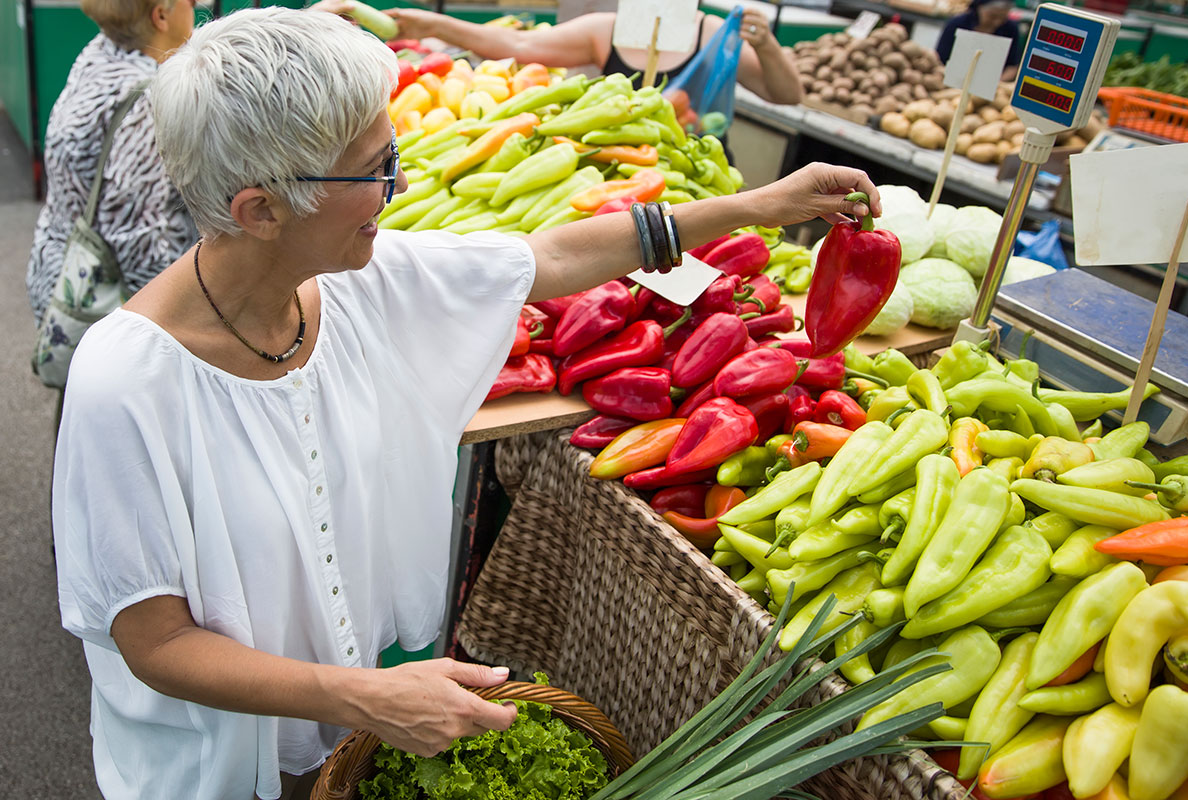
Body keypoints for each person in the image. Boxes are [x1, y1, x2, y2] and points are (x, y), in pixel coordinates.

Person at [52, 8, 881, 800]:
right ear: (260, 210)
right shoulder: (127, 382)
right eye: (374, 169)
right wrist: (364, 698)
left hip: (336, 732)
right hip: (212, 764)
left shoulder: (359, 286)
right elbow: (155, 643)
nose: (400, 181)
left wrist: (762, 205)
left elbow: (550, 255)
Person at [25, 0, 198, 329]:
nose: (196, 7)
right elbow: (135, 238)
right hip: (101, 303)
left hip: (60, 269)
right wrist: (175, 321)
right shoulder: (143, 102)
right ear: (161, 15)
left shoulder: (99, 53)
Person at [379, 5, 803, 106]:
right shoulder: (607, 29)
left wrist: (766, 46)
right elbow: (519, 47)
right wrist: (434, 24)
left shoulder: (713, 33)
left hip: (698, 175)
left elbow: (786, 95)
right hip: (623, 175)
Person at [935, 0, 1021, 81]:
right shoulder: (957, 24)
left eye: (1002, 18)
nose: (997, 22)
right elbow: (939, 59)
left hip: (992, 87)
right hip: (950, 81)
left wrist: (998, 83)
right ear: (980, 8)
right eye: (992, 16)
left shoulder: (1010, 29)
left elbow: (1012, 66)